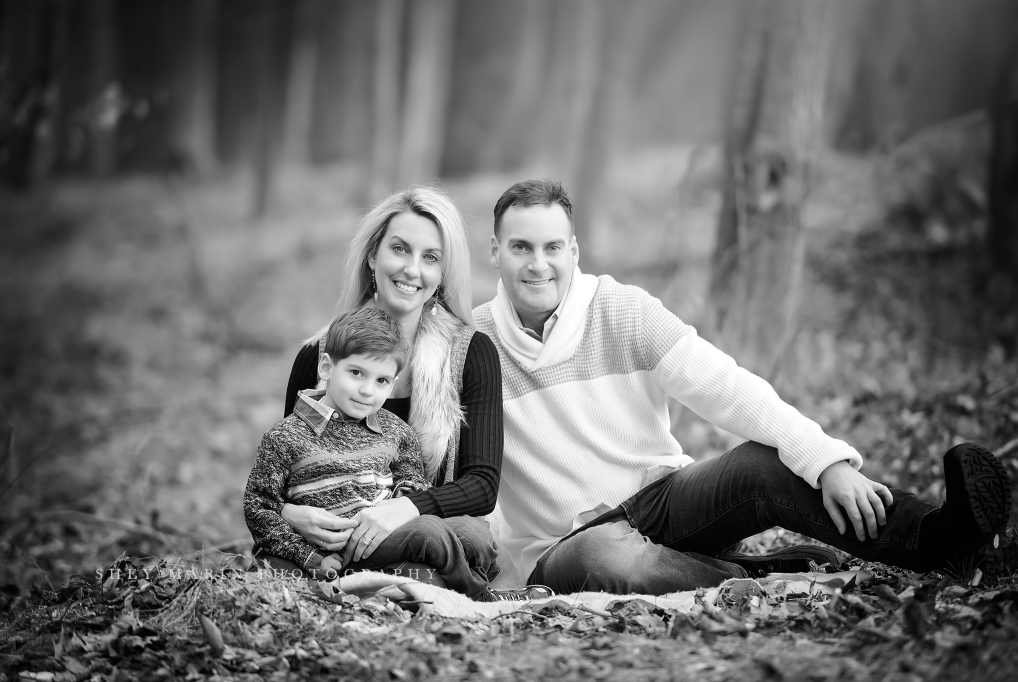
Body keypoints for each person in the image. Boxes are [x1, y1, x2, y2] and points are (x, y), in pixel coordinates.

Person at [473, 179, 1013, 594]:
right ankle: (757, 576)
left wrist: (825, 460)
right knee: (603, 558)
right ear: (496, 253)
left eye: (552, 248)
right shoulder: (471, 345)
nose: (538, 264)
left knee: (765, 464)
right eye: (521, 247)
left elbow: (725, 387)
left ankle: (939, 540)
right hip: (565, 548)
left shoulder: (623, 310)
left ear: (573, 250)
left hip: (661, 504)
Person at [277, 186, 550, 599]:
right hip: (334, 530)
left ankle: (379, 583)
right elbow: (280, 471)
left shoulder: (470, 354)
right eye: (400, 249)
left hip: (426, 531)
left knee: (470, 537)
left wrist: (404, 508)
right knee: (282, 550)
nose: (411, 270)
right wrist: (289, 513)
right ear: (373, 256)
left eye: (430, 258)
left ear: (442, 273)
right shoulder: (318, 357)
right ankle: (415, 585)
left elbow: (482, 485)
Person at [245, 307, 500, 598]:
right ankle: (478, 595)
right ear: (327, 368)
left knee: (474, 533)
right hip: (320, 545)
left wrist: (398, 504)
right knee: (430, 532)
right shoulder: (285, 436)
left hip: (380, 540)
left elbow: (412, 482)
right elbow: (259, 507)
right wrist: (309, 558)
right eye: (356, 373)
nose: (367, 390)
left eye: (381, 381)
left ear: (392, 383)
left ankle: (400, 582)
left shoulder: (396, 431)